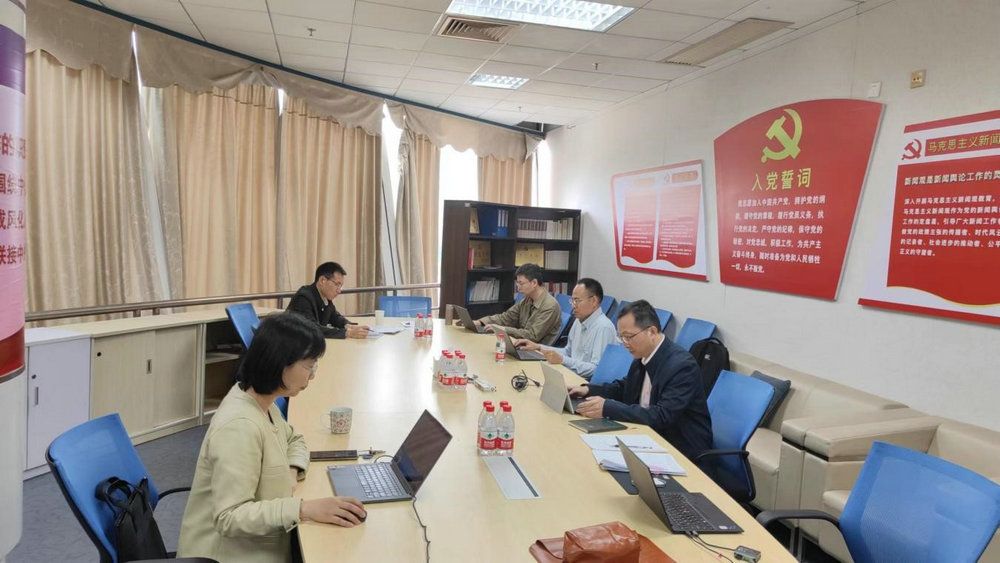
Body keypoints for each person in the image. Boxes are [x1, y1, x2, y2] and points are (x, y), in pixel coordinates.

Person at [178, 313, 366, 563]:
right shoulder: (239, 426)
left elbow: (294, 439)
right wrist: (303, 509)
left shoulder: (261, 401)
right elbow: (229, 517)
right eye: (309, 365)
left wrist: (291, 469)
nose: (312, 375)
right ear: (280, 364)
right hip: (228, 555)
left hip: (263, 542)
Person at [568, 300, 712, 460]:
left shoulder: (682, 365)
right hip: (646, 437)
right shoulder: (643, 355)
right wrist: (588, 389)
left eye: (629, 337)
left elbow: (662, 415)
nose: (625, 343)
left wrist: (608, 408)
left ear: (652, 331)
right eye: (621, 337)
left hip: (680, 450)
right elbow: (625, 387)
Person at [512, 278, 616, 379]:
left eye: (577, 301)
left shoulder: (604, 327)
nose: (573, 306)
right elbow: (567, 352)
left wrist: (562, 360)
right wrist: (538, 347)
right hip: (571, 374)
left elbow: (595, 369)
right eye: (572, 300)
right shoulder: (578, 321)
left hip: (585, 382)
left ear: (593, 301)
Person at [475, 263, 562, 345]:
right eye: (517, 283)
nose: (518, 287)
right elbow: (506, 318)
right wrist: (480, 322)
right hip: (521, 344)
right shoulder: (527, 299)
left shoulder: (550, 306)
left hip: (537, 351)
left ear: (534, 283)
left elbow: (532, 336)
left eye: (521, 283)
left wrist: (503, 329)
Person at [287, 262, 370, 339]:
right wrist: (348, 333)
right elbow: (312, 329)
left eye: (340, 286)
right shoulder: (303, 298)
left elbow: (334, 317)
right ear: (322, 280)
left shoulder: (324, 296)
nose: (339, 291)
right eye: (337, 284)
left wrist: (349, 326)